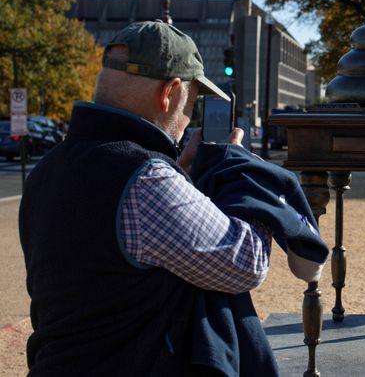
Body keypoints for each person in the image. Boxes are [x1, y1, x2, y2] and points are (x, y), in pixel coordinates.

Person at [19, 20, 327, 375]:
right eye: (191, 103)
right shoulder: (146, 178)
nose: (187, 119)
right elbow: (246, 264)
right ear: (169, 92)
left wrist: (179, 171)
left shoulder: (51, 166)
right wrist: (242, 177)